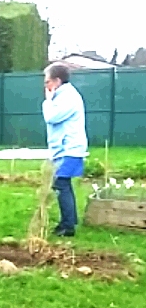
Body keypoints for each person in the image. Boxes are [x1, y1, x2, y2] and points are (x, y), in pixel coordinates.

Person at [42, 62, 88, 237]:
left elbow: (51, 117)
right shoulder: (62, 96)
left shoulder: (68, 97)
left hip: (70, 149)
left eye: (47, 81)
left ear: (57, 81)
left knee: (61, 183)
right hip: (64, 148)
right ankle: (69, 221)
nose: (45, 86)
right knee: (63, 183)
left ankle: (68, 226)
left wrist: (47, 101)